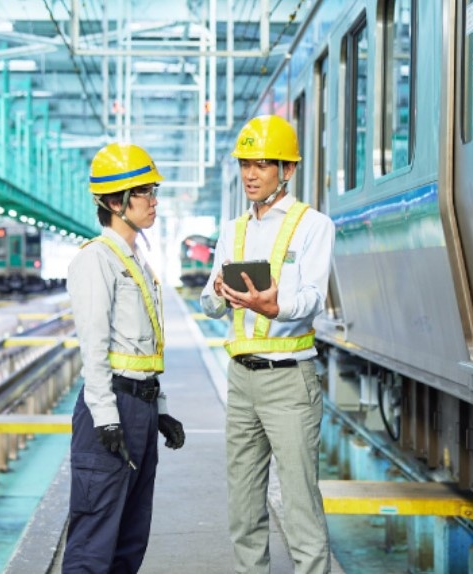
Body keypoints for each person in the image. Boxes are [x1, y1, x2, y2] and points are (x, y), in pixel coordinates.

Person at [200, 115, 335, 574]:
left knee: (300, 508)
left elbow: (314, 296)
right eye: (244, 164)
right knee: (243, 509)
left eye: (261, 164)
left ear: (287, 170)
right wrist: (218, 293)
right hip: (241, 380)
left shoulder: (313, 225)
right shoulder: (232, 230)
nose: (250, 175)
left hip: (289, 381)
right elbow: (208, 304)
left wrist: (276, 307)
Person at [62, 143, 186, 573]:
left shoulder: (137, 259)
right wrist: (105, 417)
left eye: (153, 190)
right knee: (95, 537)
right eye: (145, 192)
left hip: (141, 407)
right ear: (116, 202)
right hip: (112, 407)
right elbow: (94, 346)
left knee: (130, 537)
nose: (154, 200)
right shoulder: (96, 260)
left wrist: (162, 409)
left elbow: (143, 347)